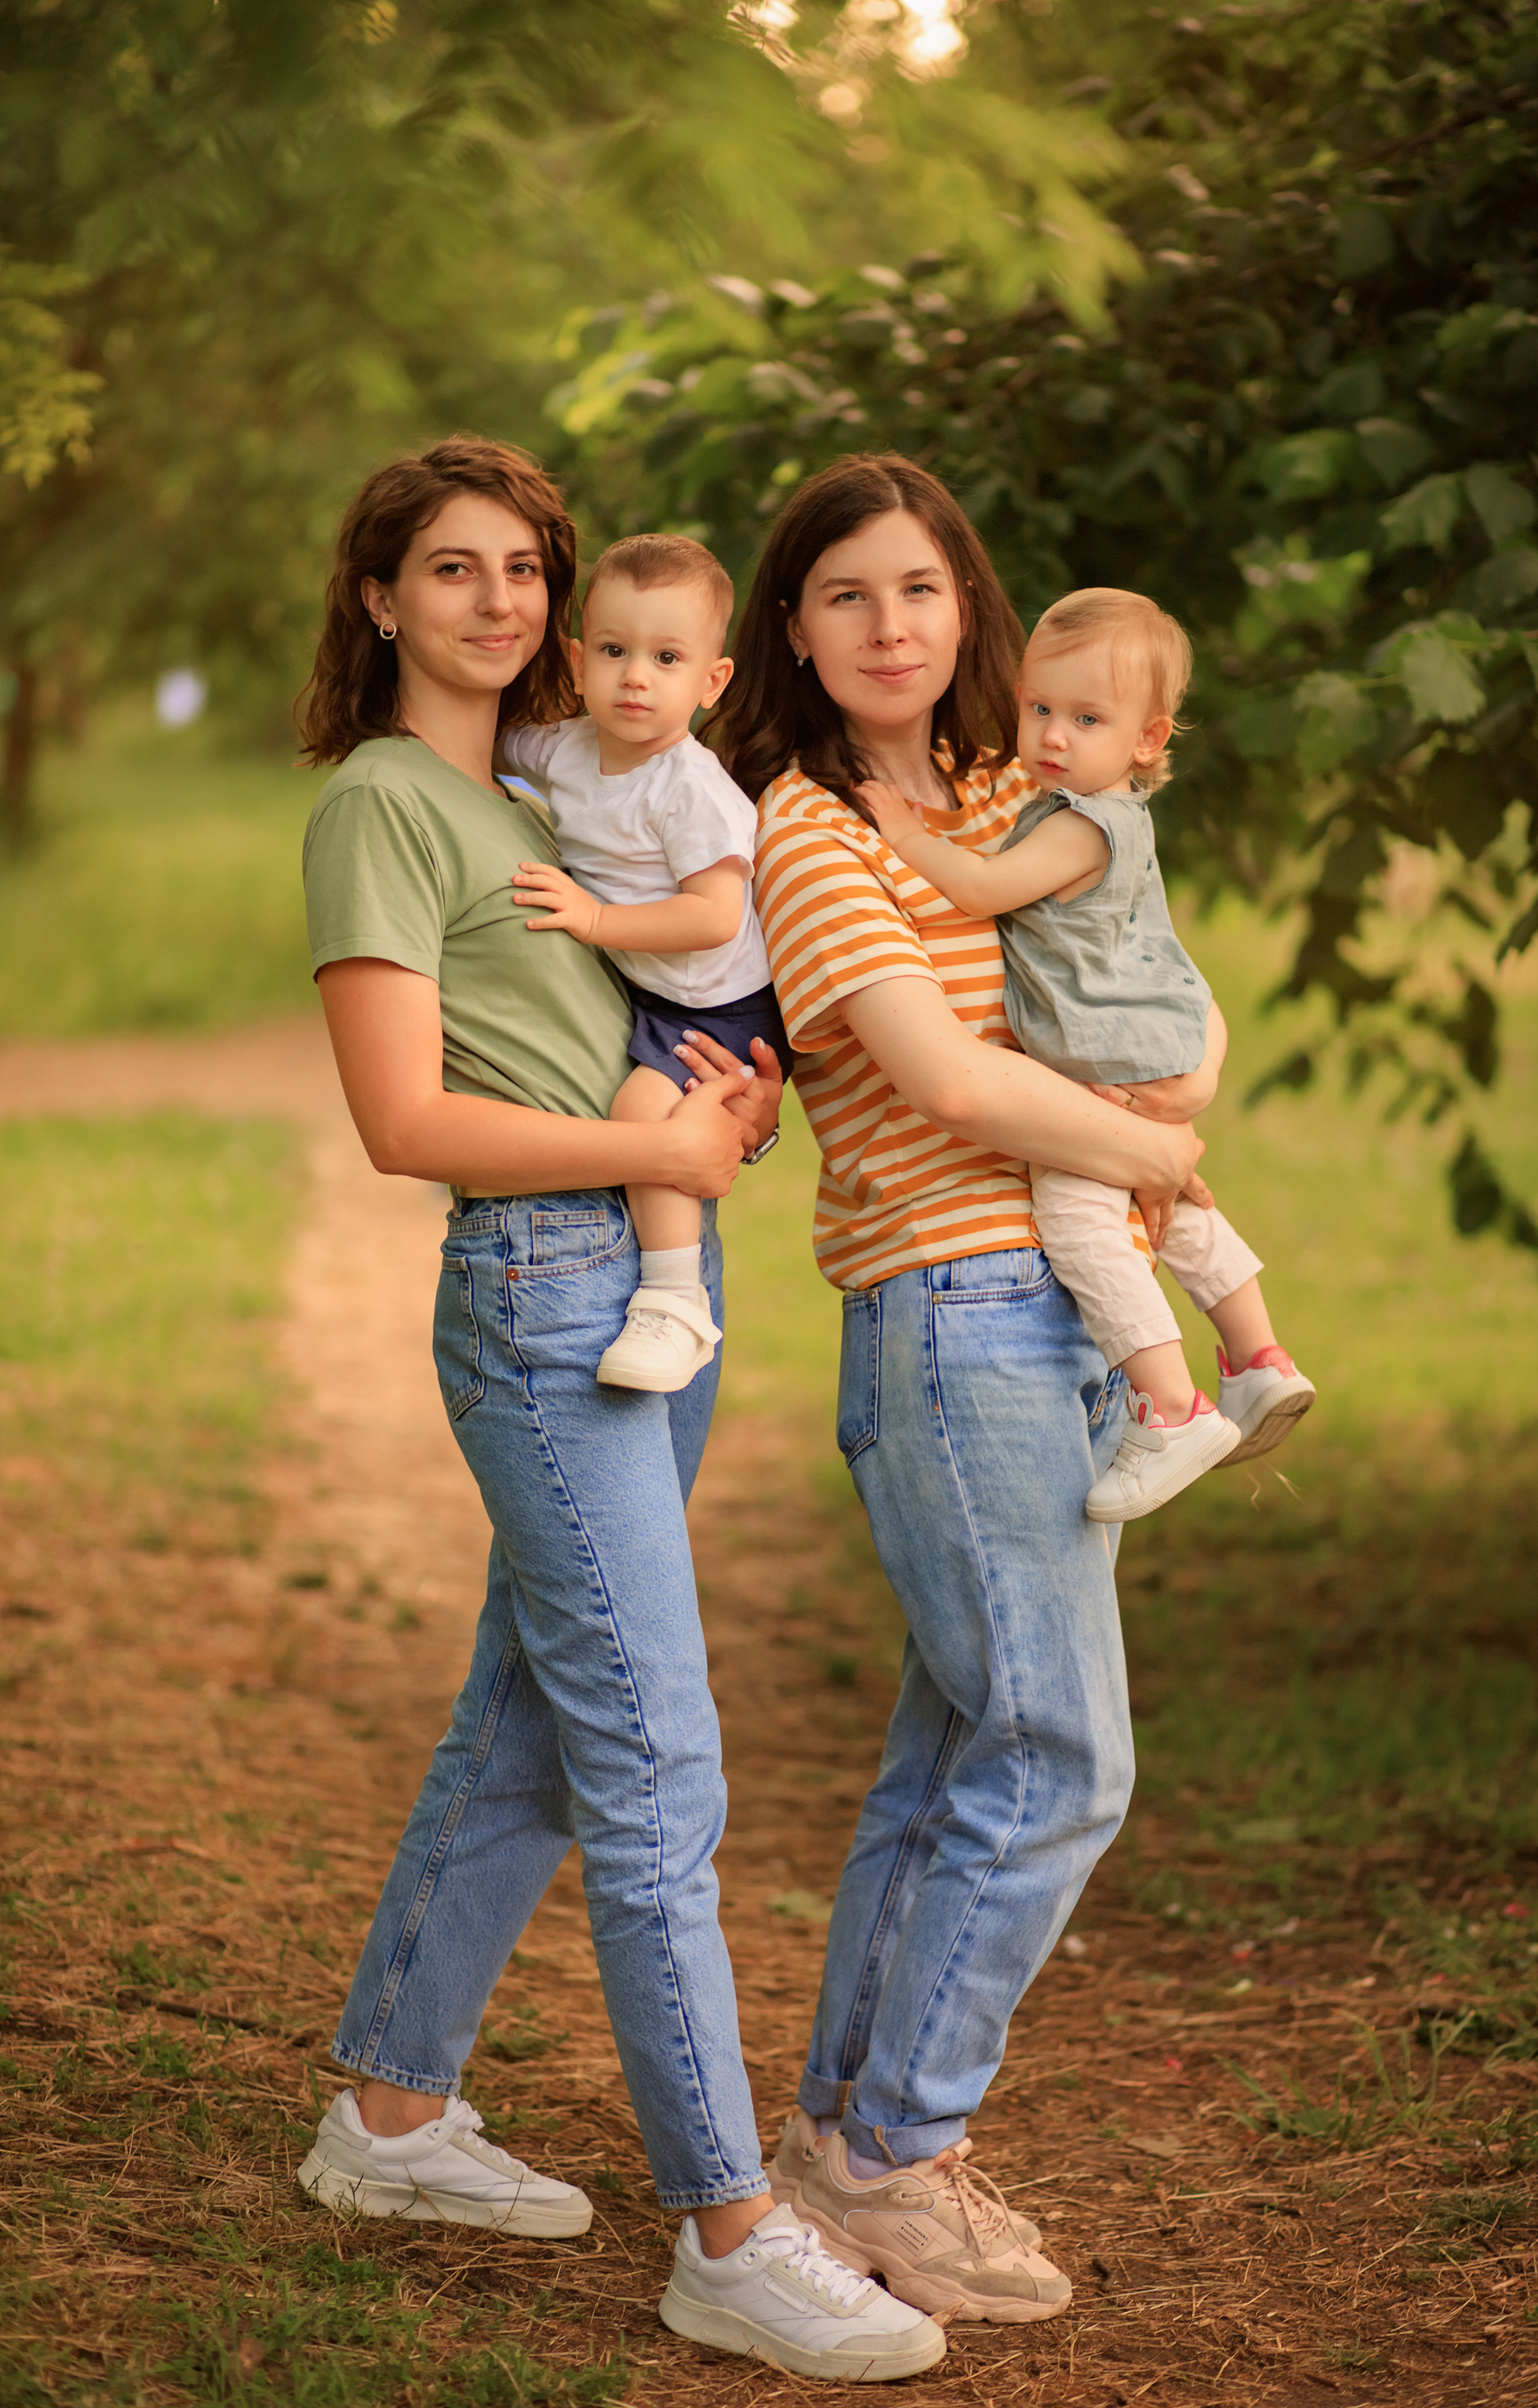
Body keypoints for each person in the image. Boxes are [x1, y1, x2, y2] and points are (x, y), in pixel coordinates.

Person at [290, 435, 947, 2385]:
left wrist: (716, 1114)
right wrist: (639, 1136)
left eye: (522, 570)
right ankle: (731, 2234)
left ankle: (390, 2119)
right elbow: (404, 1121)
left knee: (536, 1721)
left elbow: (679, 999)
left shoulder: (552, 784)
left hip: (649, 1272)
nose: (494, 600)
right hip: (545, 1284)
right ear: (382, 600)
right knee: (659, 1765)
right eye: (452, 569)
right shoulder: (384, 807)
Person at [706, 452, 1204, 2326]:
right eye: (845, 596)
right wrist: (1157, 1154)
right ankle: (901, 2152)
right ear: (797, 630)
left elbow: (1153, 970)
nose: (889, 625)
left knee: (953, 1758)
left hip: (1067, 1313)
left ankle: (851, 2138)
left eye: (918, 589)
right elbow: (957, 1084)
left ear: (966, 606)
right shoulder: (811, 832)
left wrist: (1177, 1094)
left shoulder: (1015, 787)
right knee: (1064, 1754)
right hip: (953, 1311)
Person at [856, 585, 1315, 1526]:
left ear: (1149, 739)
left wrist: (901, 834)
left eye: (1088, 719)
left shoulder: (1081, 823)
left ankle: (1171, 1407)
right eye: (1040, 710)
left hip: (1097, 1060)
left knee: (1082, 1223)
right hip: (1143, 1045)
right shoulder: (1091, 809)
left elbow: (983, 888)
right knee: (1172, 1204)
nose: (1054, 736)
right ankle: (1259, 1360)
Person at [498, 532, 792, 1396]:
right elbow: (493, 746)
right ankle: (669, 1293)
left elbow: (714, 916)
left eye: (667, 658)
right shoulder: (566, 750)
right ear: (579, 658)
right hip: (666, 992)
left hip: (724, 1006)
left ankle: (675, 1303)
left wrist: (594, 918)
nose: (636, 677)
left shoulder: (689, 787)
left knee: (643, 1115)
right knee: (647, 1115)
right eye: (617, 652)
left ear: (711, 681)